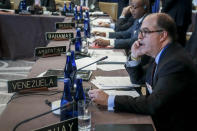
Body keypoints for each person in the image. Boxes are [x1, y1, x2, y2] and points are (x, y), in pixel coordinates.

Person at [88, 13, 197, 131]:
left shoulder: (175, 62)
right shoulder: (163, 55)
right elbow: (138, 79)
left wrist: (110, 99)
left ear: (162, 36)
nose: (139, 37)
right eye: (140, 32)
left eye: (145, 32)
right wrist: (134, 56)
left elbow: (153, 104)